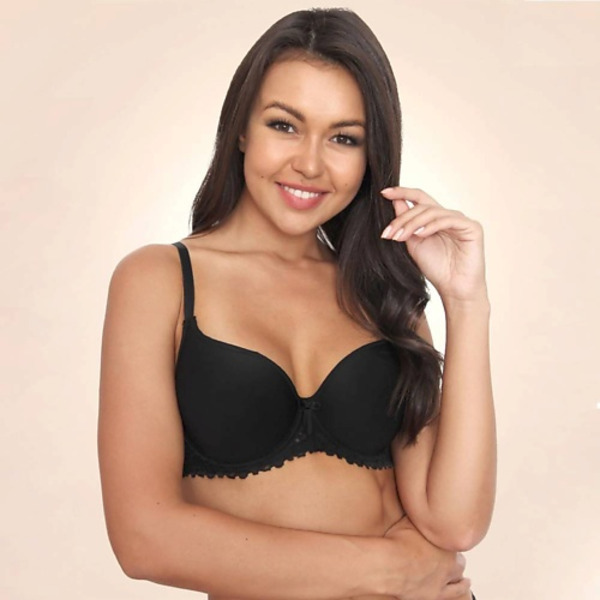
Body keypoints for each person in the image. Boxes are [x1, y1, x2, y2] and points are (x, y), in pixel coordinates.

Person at [98, 7, 495, 600]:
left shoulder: (382, 293)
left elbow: (455, 522)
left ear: (370, 156)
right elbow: (144, 539)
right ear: (241, 129)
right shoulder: (159, 281)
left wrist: (466, 303)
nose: (310, 163)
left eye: (344, 138)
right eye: (285, 125)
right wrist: (389, 570)